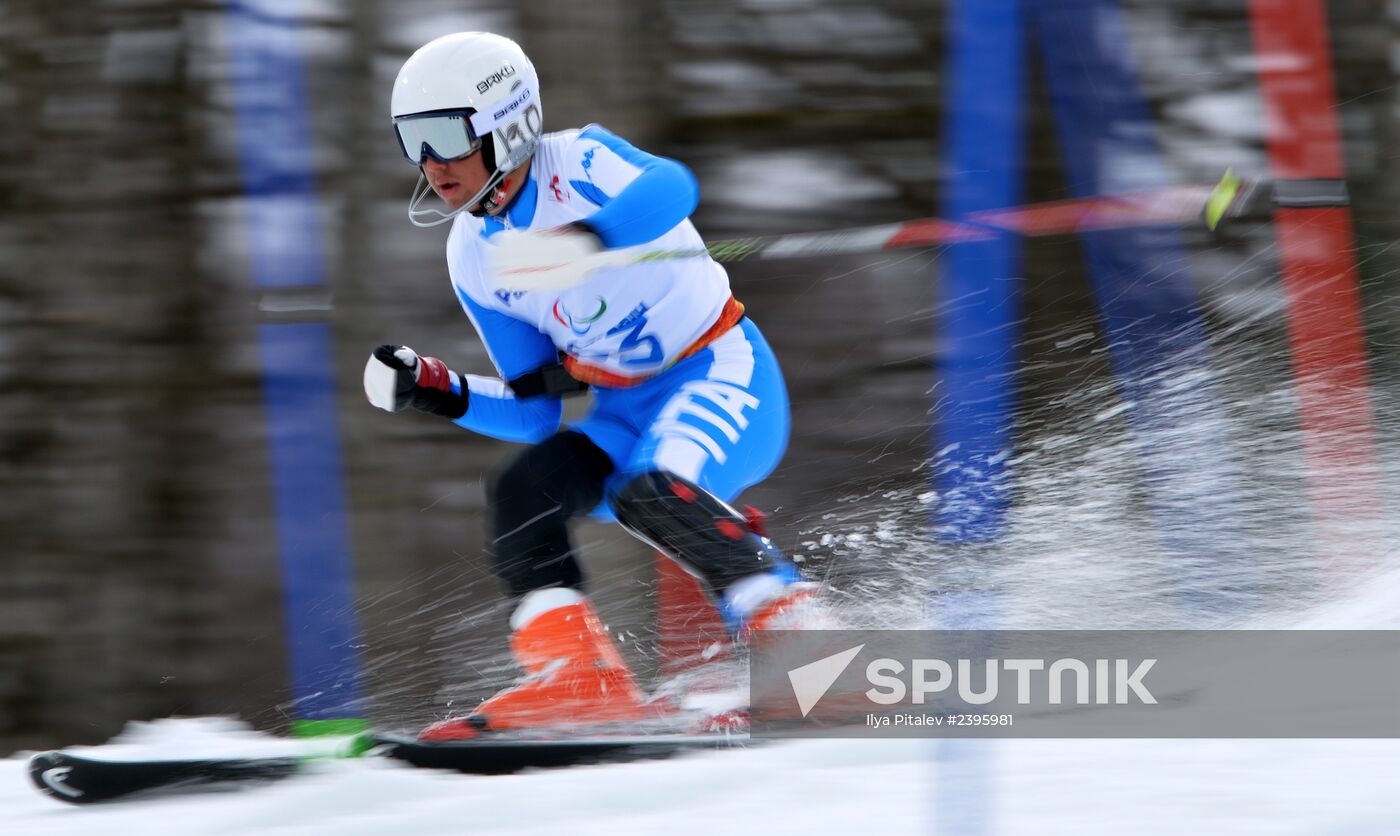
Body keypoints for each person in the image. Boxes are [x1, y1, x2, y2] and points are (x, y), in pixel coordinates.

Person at [364, 32, 812, 740]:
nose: (429, 163)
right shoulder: (472, 255)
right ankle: (579, 678)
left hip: (722, 375)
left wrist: (583, 241)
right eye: (411, 140)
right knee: (523, 490)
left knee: (653, 488)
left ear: (504, 123)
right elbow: (537, 414)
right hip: (624, 414)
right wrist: (437, 390)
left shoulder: (578, 161)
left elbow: (673, 190)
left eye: (443, 135)